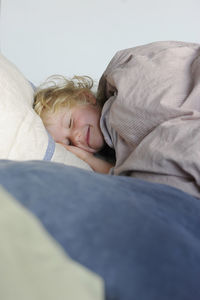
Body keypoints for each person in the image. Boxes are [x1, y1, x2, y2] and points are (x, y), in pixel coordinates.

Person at [33, 75, 114, 174]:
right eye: (69, 143)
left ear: (85, 97)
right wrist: (86, 158)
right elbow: (125, 177)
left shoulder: (115, 111)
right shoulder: (106, 155)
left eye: (70, 123)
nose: (76, 138)